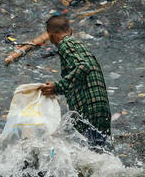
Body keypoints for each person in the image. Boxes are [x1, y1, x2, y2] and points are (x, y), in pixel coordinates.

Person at [39, 15, 111, 146]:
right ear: (71, 30)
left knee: (93, 151)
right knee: (100, 150)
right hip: (101, 109)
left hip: (89, 109)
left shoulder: (65, 44)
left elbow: (83, 67)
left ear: (51, 36)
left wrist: (57, 87)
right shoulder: (78, 45)